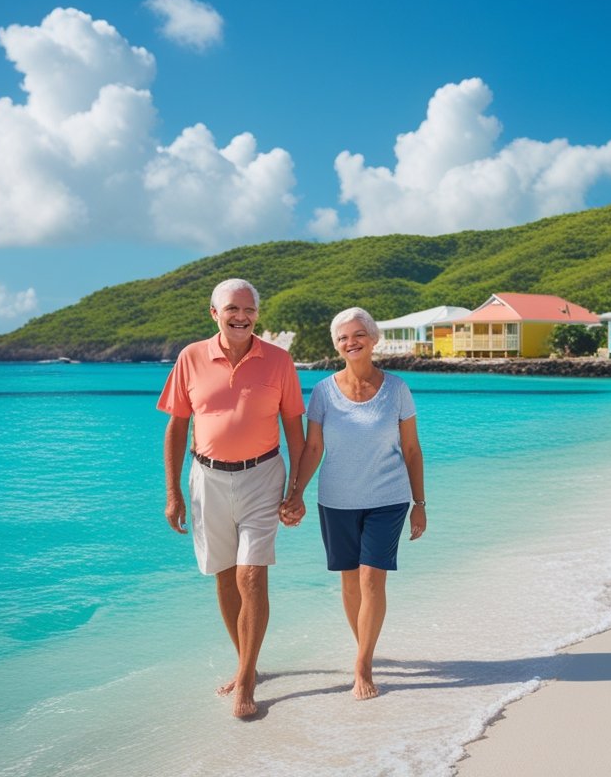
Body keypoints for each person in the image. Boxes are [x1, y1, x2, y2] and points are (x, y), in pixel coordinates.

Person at [157, 278, 306, 718]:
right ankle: (249, 664)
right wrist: (172, 494)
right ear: (214, 314)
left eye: (249, 309)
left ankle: (245, 681)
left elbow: (295, 431)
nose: (241, 316)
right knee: (224, 576)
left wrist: (296, 491)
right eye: (232, 309)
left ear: (257, 314)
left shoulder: (278, 360)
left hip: (263, 476)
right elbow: (177, 427)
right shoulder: (190, 358)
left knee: (251, 577)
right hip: (206, 479)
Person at [287, 307, 426, 700]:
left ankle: (362, 665)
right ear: (336, 345)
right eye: (343, 337)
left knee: (370, 577)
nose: (352, 342)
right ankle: (365, 645)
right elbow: (313, 447)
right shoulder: (323, 392)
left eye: (358, 334)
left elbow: (412, 450)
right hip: (336, 500)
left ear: (373, 338)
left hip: (388, 498)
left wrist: (420, 502)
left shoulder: (397, 389)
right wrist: (295, 491)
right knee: (349, 581)